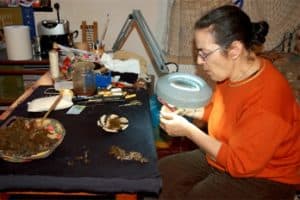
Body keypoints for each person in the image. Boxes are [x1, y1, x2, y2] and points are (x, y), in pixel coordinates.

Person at [158, 5, 300, 200]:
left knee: (198, 196)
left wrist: (188, 131)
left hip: (266, 177)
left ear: (234, 49)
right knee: (165, 172)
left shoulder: (267, 100)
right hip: (226, 154)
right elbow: (221, 113)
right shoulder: (231, 74)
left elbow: (240, 164)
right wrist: (185, 111)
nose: (200, 61)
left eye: (204, 53)